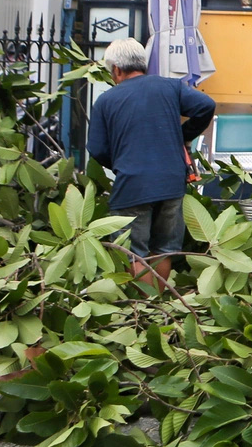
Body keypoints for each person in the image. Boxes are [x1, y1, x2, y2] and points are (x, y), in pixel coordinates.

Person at [86, 37, 216, 287]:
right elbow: (206, 105)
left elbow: (98, 149)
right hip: (171, 183)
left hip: (133, 186)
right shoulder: (171, 87)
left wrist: (121, 162)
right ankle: (160, 305)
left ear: (116, 69)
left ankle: (143, 310)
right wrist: (183, 136)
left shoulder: (106, 101)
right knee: (164, 248)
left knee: (134, 251)